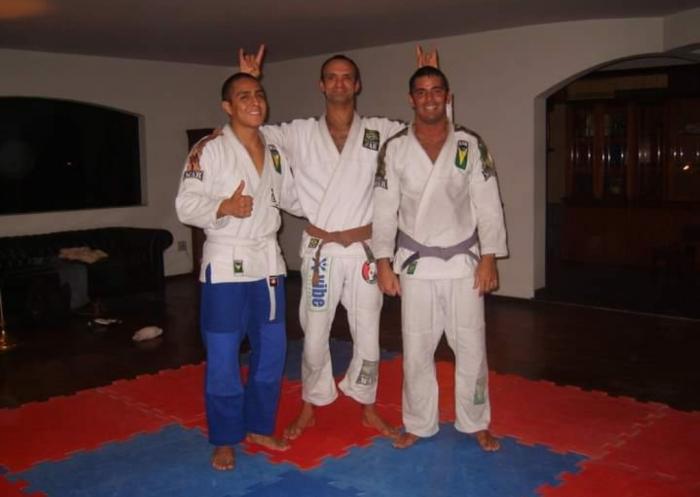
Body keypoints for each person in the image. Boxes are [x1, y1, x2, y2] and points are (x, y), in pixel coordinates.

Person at [237, 46, 436, 440]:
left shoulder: (379, 130)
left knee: (368, 335)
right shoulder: (298, 133)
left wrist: (428, 82)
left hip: (364, 251)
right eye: (332, 77)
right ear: (322, 85)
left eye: (347, 77)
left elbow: (429, 132)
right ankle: (310, 405)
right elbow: (248, 131)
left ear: (357, 85)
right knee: (313, 336)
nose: (339, 83)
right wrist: (250, 82)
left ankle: (367, 406)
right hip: (321, 252)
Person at [372, 65, 507, 451]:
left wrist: (489, 257)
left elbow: (488, 204)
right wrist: (383, 261)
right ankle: (419, 422)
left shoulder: (469, 143)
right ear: (411, 99)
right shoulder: (395, 148)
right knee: (416, 348)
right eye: (421, 91)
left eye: (436, 91)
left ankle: (475, 420)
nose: (429, 98)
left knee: (472, 346)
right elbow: (383, 209)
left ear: (448, 97)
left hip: (464, 262)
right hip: (416, 262)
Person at [175, 72, 300, 470]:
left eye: (259, 94)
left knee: (272, 351)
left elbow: (293, 197)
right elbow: (185, 205)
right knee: (224, 354)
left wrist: (337, 219)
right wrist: (224, 207)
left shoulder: (275, 150)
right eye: (243, 96)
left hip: (268, 263)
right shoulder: (208, 149)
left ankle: (260, 425)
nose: (254, 101)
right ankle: (225, 437)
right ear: (227, 107)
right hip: (226, 263)